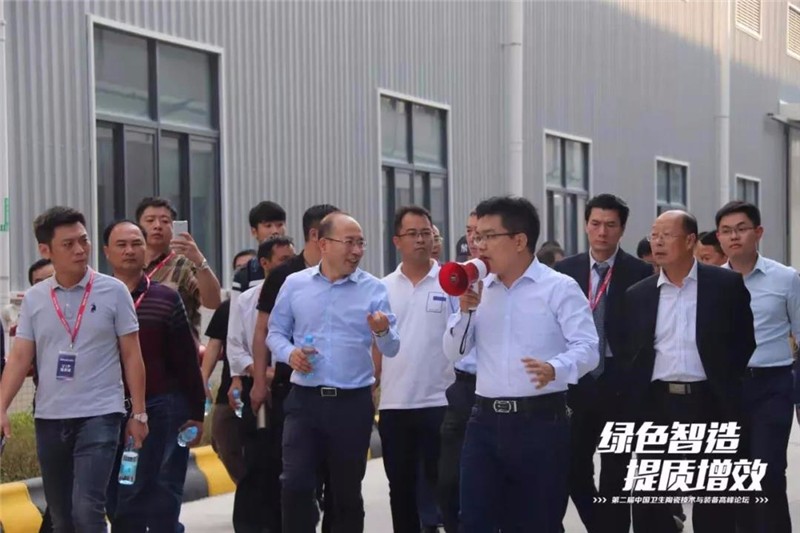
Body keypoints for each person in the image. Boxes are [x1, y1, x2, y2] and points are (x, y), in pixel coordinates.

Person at [443, 196, 599, 532]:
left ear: (519, 241)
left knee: (536, 522)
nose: (479, 245)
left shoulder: (558, 288)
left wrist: (555, 368)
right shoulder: (479, 289)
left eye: (489, 236)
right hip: (483, 421)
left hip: (540, 422)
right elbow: (454, 352)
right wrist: (465, 311)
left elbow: (588, 348)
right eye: (477, 236)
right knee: (474, 521)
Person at [0, 206, 148, 532]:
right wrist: (2, 407)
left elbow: (132, 355)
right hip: (50, 417)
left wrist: (138, 413)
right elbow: (21, 357)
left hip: (101, 413)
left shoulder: (114, 291)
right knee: (61, 516)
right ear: (46, 250)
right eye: (68, 244)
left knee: (87, 509)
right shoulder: (36, 299)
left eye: (84, 240)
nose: (80, 249)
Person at [267, 212, 400, 533]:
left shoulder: (373, 289)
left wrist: (382, 331)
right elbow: (275, 333)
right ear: (323, 244)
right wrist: (290, 354)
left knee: (345, 493)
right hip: (305, 401)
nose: (356, 251)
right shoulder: (295, 285)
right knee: (295, 483)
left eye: (361, 244)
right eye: (349, 243)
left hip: (351, 404)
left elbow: (392, 347)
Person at [625, 210, 756, 533]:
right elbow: (631, 350)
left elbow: (744, 341)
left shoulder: (724, 285)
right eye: (654, 235)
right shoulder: (639, 294)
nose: (657, 242)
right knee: (651, 498)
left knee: (714, 500)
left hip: (709, 402)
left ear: (690, 241)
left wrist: (724, 382)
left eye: (666, 235)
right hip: (657, 404)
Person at [554, 194, 653, 533]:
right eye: (595, 224)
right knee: (573, 466)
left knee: (617, 471)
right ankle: (601, 526)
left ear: (622, 229)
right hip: (577, 380)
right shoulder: (564, 272)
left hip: (619, 383)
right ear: (585, 225)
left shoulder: (640, 272)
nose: (602, 232)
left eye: (610, 225)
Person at [103, 220, 205, 531]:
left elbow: (186, 359)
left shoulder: (165, 298)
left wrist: (196, 411)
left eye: (137, 244)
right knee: (113, 494)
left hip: (158, 406)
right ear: (106, 252)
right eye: (121, 245)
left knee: (147, 490)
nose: (130, 251)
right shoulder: (97, 298)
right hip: (105, 407)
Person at [250, 204, 340, 531]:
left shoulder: (349, 274)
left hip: (339, 391)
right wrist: (259, 382)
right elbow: (263, 330)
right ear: (316, 236)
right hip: (293, 389)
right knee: (296, 478)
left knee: (339, 482)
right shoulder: (283, 276)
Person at [716, 201, 799, 533]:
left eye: (741, 229)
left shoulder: (786, 278)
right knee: (735, 477)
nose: (734, 237)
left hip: (772, 385)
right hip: (728, 388)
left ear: (758, 232)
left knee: (768, 472)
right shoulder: (711, 282)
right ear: (719, 238)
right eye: (726, 231)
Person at [377, 206, 454, 533]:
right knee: (401, 489)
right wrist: (372, 386)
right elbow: (374, 344)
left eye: (426, 233)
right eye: (413, 234)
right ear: (397, 240)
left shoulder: (451, 283)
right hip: (396, 404)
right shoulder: (381, 288)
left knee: (446, 487)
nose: (421, 240)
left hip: (441, 401)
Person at [437, 211, 480, 533]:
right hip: (463, 388)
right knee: (449, 481)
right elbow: (452, 346)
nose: (474, 239)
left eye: (483, 233)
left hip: (500, 389)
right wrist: (466, 310)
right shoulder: (457, 279)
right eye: (470, 231)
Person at [202, 249, 257, 485]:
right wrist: (203, 379)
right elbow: (214, 345)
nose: (243, 273)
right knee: (223, 439)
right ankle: (245, 487)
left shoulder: (270, 303)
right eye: (239, 269)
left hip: (265, 386)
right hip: (231, 390)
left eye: (249, 267)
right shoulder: (227, 308)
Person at [136, 196, 222, 339]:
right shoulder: (130, 264)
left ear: (173, 226)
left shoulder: (184, 264)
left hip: (178, 345)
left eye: (165, 221)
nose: (157, 226)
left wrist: (199, 260)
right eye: (150, 220)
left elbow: (213, 302)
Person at [231, 201, 287, 296]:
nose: (275, 231)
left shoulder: (299, 268)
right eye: (268, 226)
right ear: (254, 232)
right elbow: (237, 306)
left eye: (280, 225)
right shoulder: (245, 275)